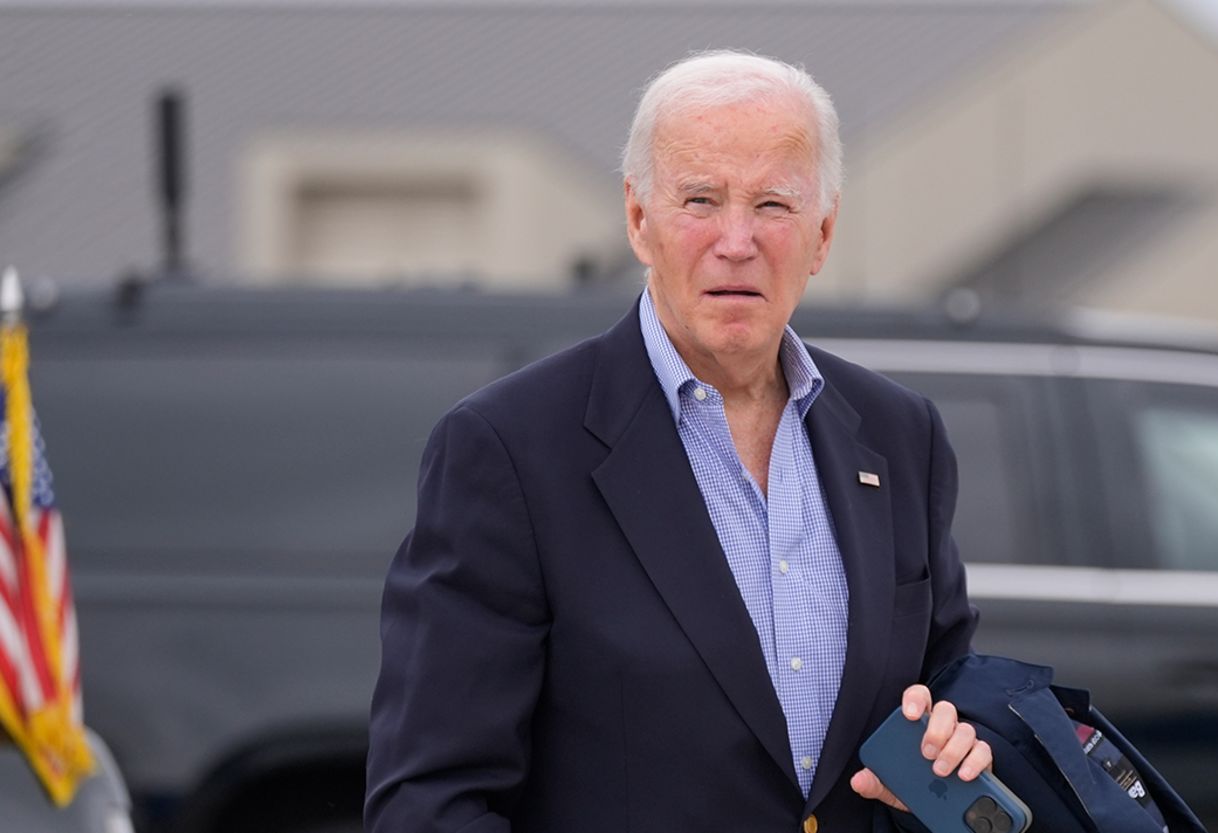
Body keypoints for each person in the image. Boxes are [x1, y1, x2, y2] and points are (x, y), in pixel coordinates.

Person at [366, 49, 988, 832]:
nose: (736, 240)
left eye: (772, 204)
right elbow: (428, 803)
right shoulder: (510, 450)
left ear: (822, 233)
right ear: (638, 220)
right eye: (700, 199)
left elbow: (953, 700)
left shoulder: (901, 435)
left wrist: (961, 746)